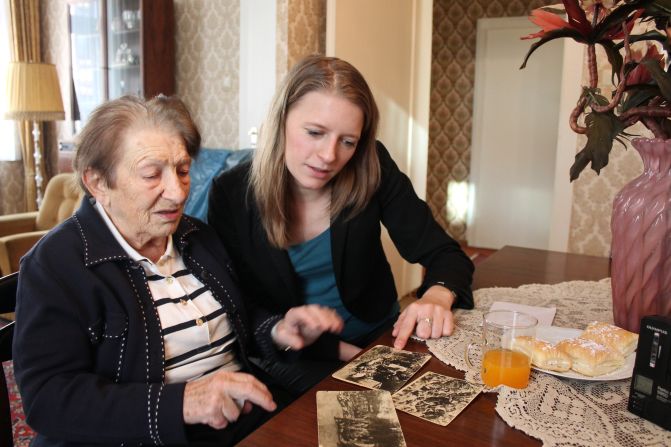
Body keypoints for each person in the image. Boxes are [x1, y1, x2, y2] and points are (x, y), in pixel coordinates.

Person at [12, 95, 344, 447]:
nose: (177, 192)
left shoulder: (196, 236)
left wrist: (277, 329)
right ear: (98, 183)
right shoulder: (57, 264)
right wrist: (181, 403)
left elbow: (239, 316)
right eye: (152, 174)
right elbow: (48, 398)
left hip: (245, 421)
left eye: (183, 170)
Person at [208, 55, 474, 395]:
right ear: (280, 121)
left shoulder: (372, 165)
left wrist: (437, 295)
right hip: (296, 354)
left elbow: (445, 254)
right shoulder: (231, 193)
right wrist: (347, 356)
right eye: (315, 133)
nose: (329, 156)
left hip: (380, 337)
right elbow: (236, 308)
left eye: (347, 141)